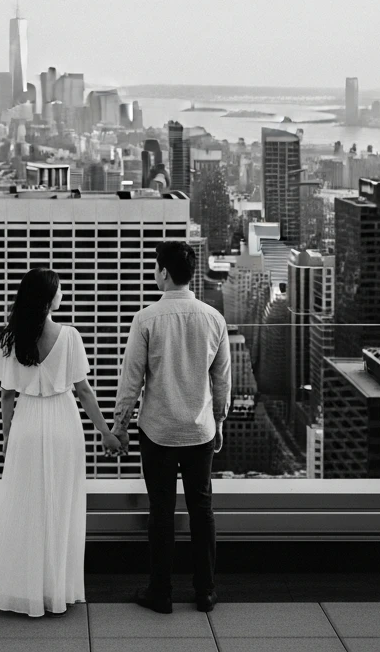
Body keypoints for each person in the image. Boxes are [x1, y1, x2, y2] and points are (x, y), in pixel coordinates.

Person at [0, 266, 122, 617]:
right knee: (60, 506)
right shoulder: (69, 336)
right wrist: (106, 431)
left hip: (27, 422)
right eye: (58, 289)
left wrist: (7, 433)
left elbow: (6, 395)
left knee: (24, 505)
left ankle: (19, 587)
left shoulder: (11, 337)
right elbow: (84, 392)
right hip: (63, 422)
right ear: (48, 298)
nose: (62, 294)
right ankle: (55, 590)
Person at [112, 240, 231, 614]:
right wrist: (220, 419)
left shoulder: (146, 319)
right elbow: (222, 379)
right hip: (200, 431)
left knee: (161, 511)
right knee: (203, 510)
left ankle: (160, 592)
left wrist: (120, 425)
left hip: (158, 432)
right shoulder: (214, 318)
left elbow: (130, 381)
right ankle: (206, 592)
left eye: (155, 266)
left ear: (163, 272)